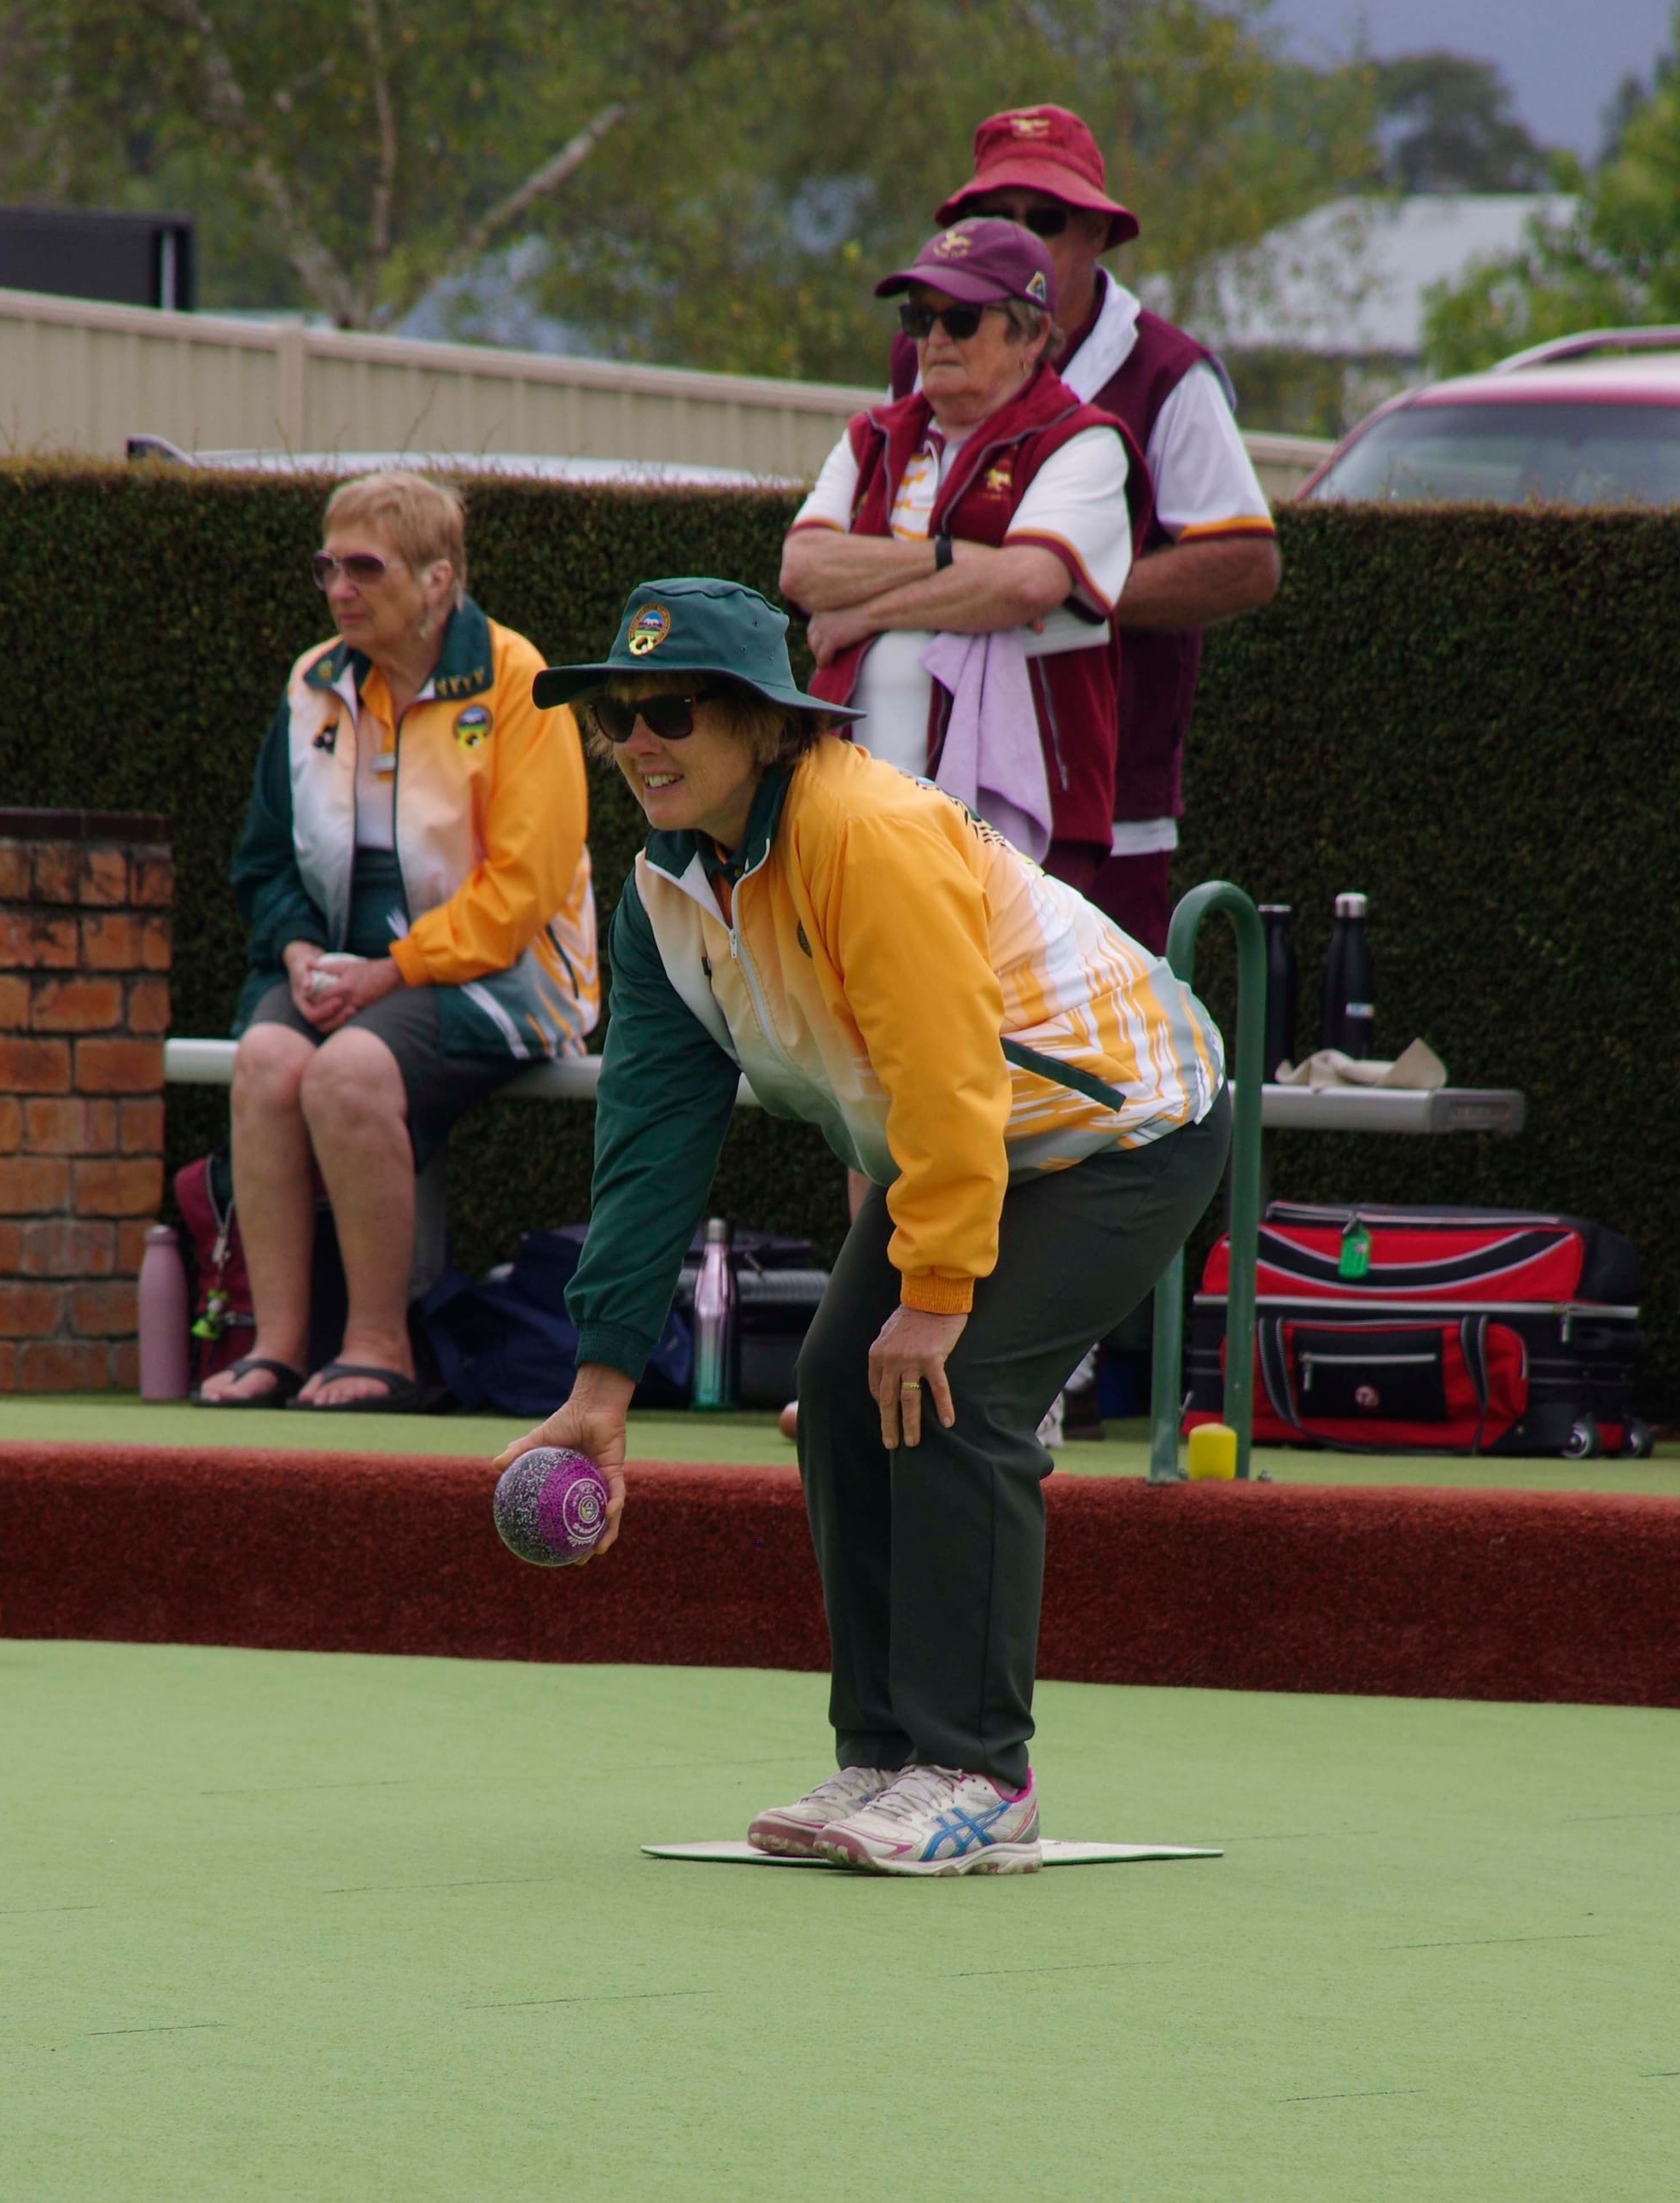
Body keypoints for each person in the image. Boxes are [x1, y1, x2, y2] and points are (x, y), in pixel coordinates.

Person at [499, 576, 1231, 1875]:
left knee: (950, 1386)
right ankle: (886, 1755)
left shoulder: (864, 831)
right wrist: (601, 1383)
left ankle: (982, 1771)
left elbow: (949, 1071)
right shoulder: (669, 886)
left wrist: (938, 1295)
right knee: (842, 1385)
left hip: (1130, 1130)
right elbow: (653, 1136)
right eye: (617, 716)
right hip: (972, 1147)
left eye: (670, 710)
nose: (637, 743)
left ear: (770, 726)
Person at [198, 470, 599, 1411]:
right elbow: (264, 862)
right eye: (326, 566)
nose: (340, 587)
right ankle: (279, 1345)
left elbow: (524, 890)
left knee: (348, 1074)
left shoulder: (515, 678)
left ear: (436, 580)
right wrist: (298, 953)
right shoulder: (312, 681)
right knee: (262, 1060)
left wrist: (388, 973)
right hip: (342, 969)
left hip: (512, 968)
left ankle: (380, 1347)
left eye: (365, 567)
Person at [894, 104, 1280, 953]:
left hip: (1104, 811)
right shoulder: (925, 350)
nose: (1020, 238)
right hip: (929, 786)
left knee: (1092, 1073)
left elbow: (1247, 562)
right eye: (995, 218)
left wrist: (1064, 589)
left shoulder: (1165, 373)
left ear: (1097, 237)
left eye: (1046, 220)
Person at [781, 215, 1146, 893]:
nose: (936, 338)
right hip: (854, 827)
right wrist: (949, 557)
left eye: (963, 317)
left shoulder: (1085, 443)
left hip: (1020, 840)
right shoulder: (872, 435)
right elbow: (801, 570)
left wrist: (865, 614)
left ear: (1033, 334)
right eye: (920, 318)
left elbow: (1025, 584)